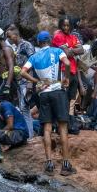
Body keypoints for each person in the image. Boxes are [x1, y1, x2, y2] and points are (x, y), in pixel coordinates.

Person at [21, 31, 76, 176]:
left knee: (47, 128)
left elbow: (22, 72)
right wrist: (66, 78)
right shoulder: (57, 51)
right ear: (50, 41)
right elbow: (67, 63)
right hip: (58, 91)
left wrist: (36, 81)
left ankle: (49, 164)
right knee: (63, 127)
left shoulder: (34, 57)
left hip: (43, 94)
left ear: (39, 43)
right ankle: (65, 165)